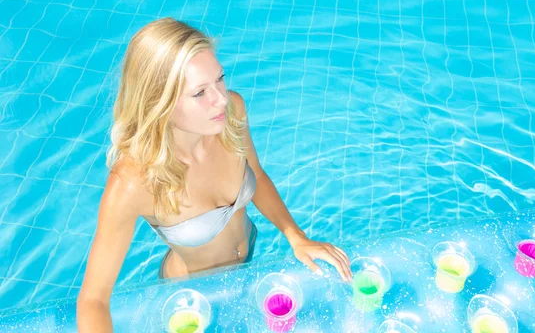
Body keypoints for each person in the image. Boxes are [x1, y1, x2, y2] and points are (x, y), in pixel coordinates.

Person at [76, 18, 352, 331]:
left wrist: (295, 236)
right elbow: (93, 300)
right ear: (159, 103)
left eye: (219, 79)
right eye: (200, 93)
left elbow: (256, 176)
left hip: (248, 258)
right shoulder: (134, 181)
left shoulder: (230, 113)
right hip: (193, 298)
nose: (220, 98)